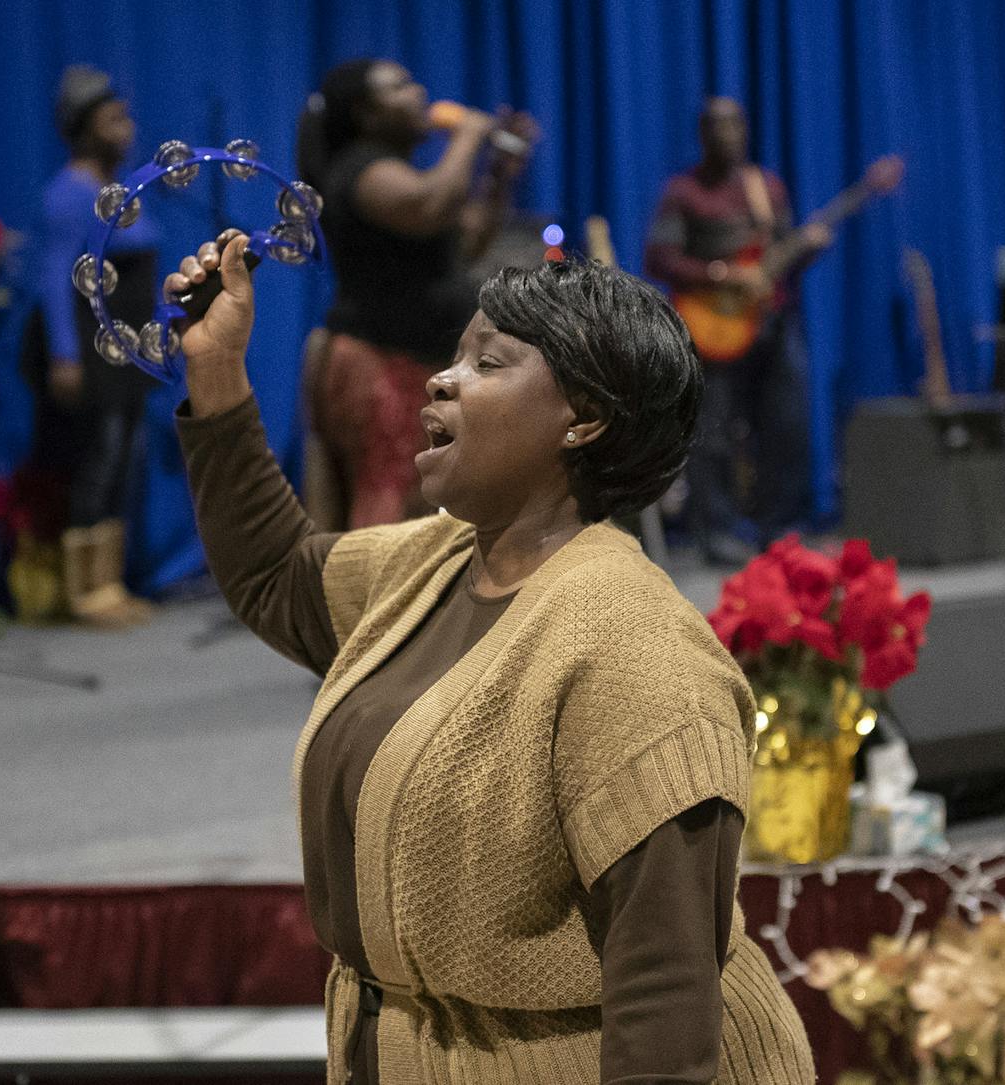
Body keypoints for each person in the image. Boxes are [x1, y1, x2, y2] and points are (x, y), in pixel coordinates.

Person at [167, 230, 815, 1083]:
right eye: (454, 356)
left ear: (583, 418)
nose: (442, 378)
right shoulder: (434, 562)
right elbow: (277, 577)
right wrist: (217, 373)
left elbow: (665, 1002)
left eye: (488, 362)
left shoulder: (635, 646)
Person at [296, 59, 536, 528]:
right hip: (378, 361)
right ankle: (378, 599)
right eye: (400, 87)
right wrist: (468, 135)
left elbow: (468, 240)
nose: (420, 92)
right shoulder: (362, 168)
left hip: (409, 357)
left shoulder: (395, 170)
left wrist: (500, 175)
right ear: (366, 112)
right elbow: (429, 206)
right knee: (388, 493)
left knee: (414, 495)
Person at [646, 96, 830, 566]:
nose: (728, 135)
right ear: (703, 134)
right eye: (717, 127)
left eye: (735, 125)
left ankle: (780, 528)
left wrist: (806, 249)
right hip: (713, 329)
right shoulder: (683, 191)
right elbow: (659, 258)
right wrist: (721, 275)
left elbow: (782, 258)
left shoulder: (765, 187)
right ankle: (718, 531)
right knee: (712, 432)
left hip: (771, 323)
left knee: (786, 426)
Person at [22, 64, 155, 626]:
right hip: (92, 348)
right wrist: (65, 357)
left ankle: (109, 580)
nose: (126, 129)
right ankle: (84, 591)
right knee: (97, 463)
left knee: (125, 459)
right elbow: (54, 279)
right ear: (84, 128)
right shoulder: (67, 195)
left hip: (126, 351)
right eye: (112, 120)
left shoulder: (120, 190)